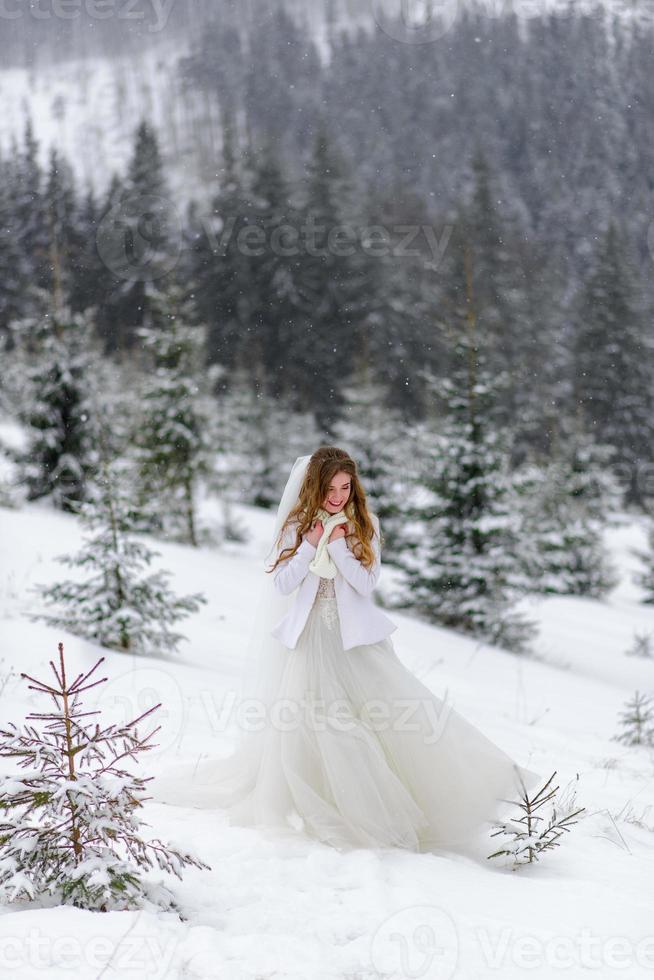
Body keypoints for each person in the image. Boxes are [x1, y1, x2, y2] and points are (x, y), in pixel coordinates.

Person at [153, 446, 542, 857]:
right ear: (314, 488)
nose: (338, 496)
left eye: (345, 487)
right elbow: (283, 585)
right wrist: (309, 545)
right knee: (313, 723)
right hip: (309, 641)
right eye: (330, 489)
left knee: (392, 712)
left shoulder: (364, 524)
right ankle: (326, 799)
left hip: (355, 640)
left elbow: (365, 583)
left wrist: (338, 547)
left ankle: (455, 787)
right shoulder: (297, 526)